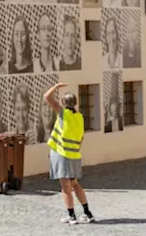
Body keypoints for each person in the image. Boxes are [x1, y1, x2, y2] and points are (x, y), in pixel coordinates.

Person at [45, 82, 95, 225]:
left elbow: (46, 97)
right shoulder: (79, 116)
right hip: (74, 155)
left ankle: (71, 216)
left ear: (63, 102)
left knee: (65, 187)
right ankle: (87, 213)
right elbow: (81, 137)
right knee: (75, 184)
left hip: (61, 154)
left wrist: (56, 86)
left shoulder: (63, 113)